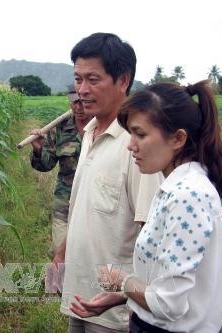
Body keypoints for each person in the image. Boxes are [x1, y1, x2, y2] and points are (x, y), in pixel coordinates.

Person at [69, 80, 222, 332]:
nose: (131, 144)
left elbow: (168, 304)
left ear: (178, 138)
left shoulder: (186, 197)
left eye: (140, 134)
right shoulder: (174, 188)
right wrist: (125, 295)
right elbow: (168, 280)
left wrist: (122, 281)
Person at [53, 33, 163, 332]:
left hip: (113, 311)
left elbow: (150, 234)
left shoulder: (136, 145)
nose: (82, 90)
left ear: (123, 80)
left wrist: (126, 294)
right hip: (79, 293)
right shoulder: (89, 132)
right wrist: (61, 254)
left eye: (93, 79)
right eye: (78, 79)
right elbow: (83, 209)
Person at [29, 84, 92, 259]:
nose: (78, 108)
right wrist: (39, 150)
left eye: (82, 102)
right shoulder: (60, 127)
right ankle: (58, 285)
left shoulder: (101, 127)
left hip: (93, 203)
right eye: (74, 103)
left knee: (87, 257)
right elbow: (45, 166)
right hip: (65, 202)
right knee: (60, 253)